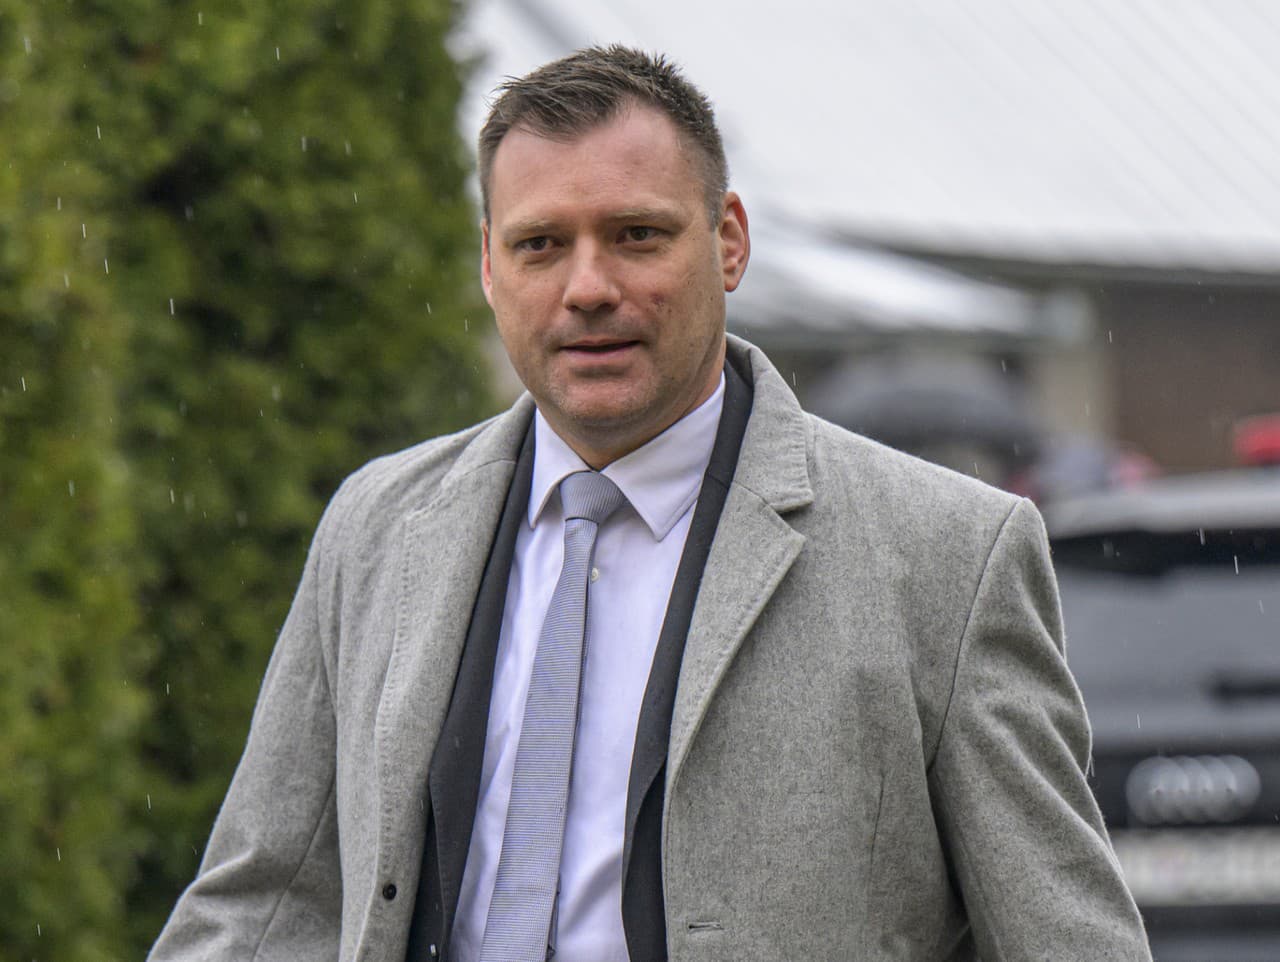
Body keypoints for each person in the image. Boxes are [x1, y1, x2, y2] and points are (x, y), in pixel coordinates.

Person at [149, 45, 1151, 962]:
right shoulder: (376, 526)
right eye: (541, 245)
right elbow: (264, 901)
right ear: (489, 265)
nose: (587, 287)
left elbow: (1067, 942)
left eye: (636, 235)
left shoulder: (948, 555)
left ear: (727, 241)